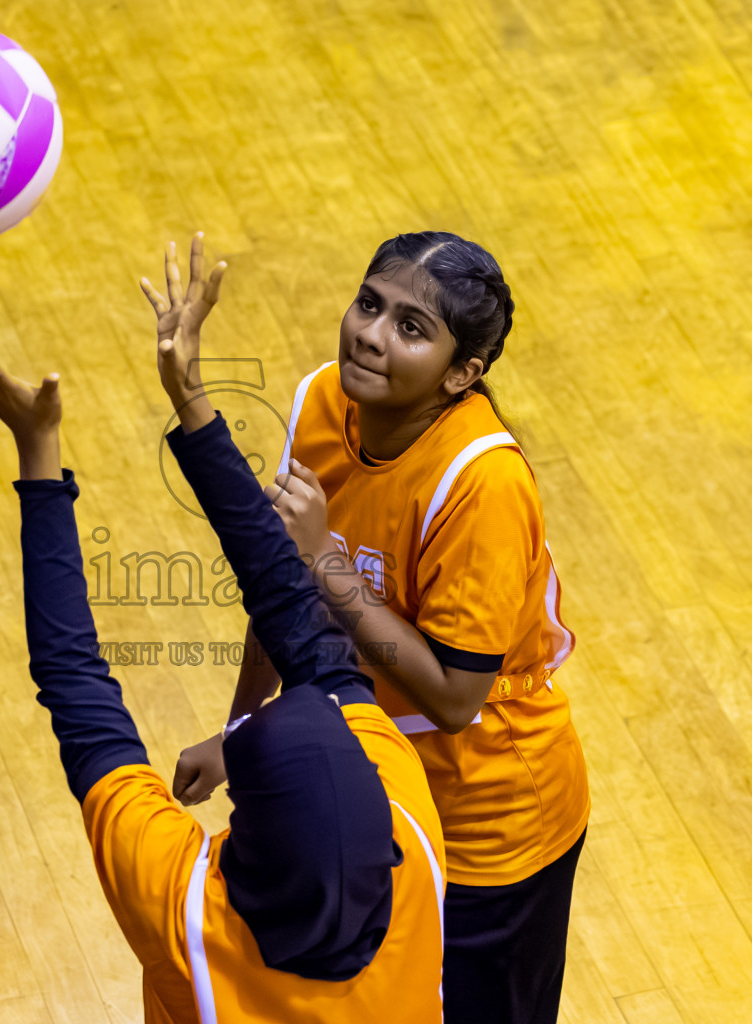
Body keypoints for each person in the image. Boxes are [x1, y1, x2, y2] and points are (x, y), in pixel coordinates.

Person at [0, 236, 446, 1022]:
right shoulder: (412, 838)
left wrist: (39, 450)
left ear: (245, 842)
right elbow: (292, 618)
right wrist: (190, 399)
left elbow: (77, 687)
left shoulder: (190, 924)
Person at [167, 231, 589, 1023]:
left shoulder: (483, 483)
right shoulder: (324, 401)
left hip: (488, 832)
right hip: (374, 802)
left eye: (411, 327)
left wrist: (327, 561)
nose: (370, 332)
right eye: (369, 304)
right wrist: (244, 737)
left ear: (463, 375)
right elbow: (280, 589)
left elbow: (457, 696)